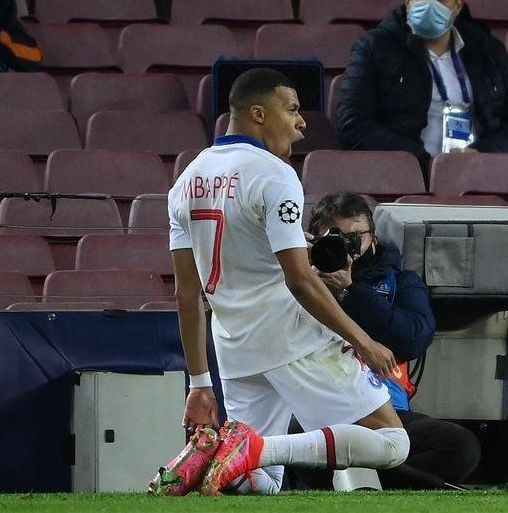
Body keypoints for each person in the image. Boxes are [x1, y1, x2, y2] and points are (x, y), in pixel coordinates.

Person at [154, 68, 411, 496]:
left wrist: (200, 384)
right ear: (258, 113)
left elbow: (186, 293)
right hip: (292, 338)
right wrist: (363, 340)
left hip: (235, 346)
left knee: (258, 486)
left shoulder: (184, 182)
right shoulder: (273, 175)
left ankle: (217, 453)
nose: (302, 122)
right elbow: (300, 280)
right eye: (292, 109)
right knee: (392, 443)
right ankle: (256, 449)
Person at [297, 192, 480, 489]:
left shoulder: (400, 281)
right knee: (293, 436)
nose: (346, 247)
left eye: (354, 237)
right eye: (334, 237)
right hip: (317, 409)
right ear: (313, 238)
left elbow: (414, 339)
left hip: (385, 412)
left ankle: (357, 479)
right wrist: (301, 271)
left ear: (373, 237)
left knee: (460, 446)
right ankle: (386, 480)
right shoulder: (297, 280)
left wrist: (352, 291)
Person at [337, 0, 508, 189]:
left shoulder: (487, 50)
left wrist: (480, 153)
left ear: (457, 5)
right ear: (408, 1)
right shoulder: (375, 47)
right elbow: (352, 125)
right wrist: (424, 160)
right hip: (406, 171)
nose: (430, 4)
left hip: (477, 168)